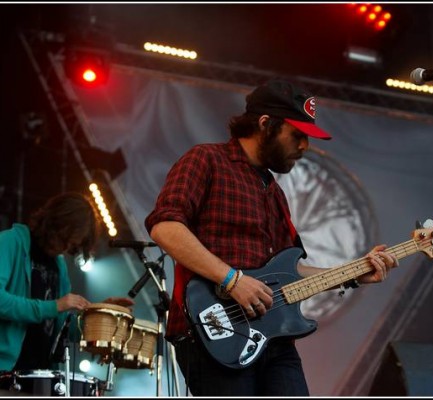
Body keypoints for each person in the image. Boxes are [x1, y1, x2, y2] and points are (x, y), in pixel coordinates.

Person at [144, 79, 399, 396]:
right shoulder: (205, 160)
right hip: (214, 332)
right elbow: (165, 227)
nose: (305, 146)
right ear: (265, 124)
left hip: (274, 341)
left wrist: (356, 273)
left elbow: (292, 272)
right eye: (297, 135)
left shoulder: (275, 193)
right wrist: (232, 280)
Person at [0, 192, 134, 378]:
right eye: (65, 240)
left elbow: (61, 328)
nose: (65, 248)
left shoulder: (59, 266)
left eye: (72, 247)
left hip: (41, 377)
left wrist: (99, 316)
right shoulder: (10, 242)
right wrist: (54, 306)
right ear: (55, 222)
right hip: (5, 371)